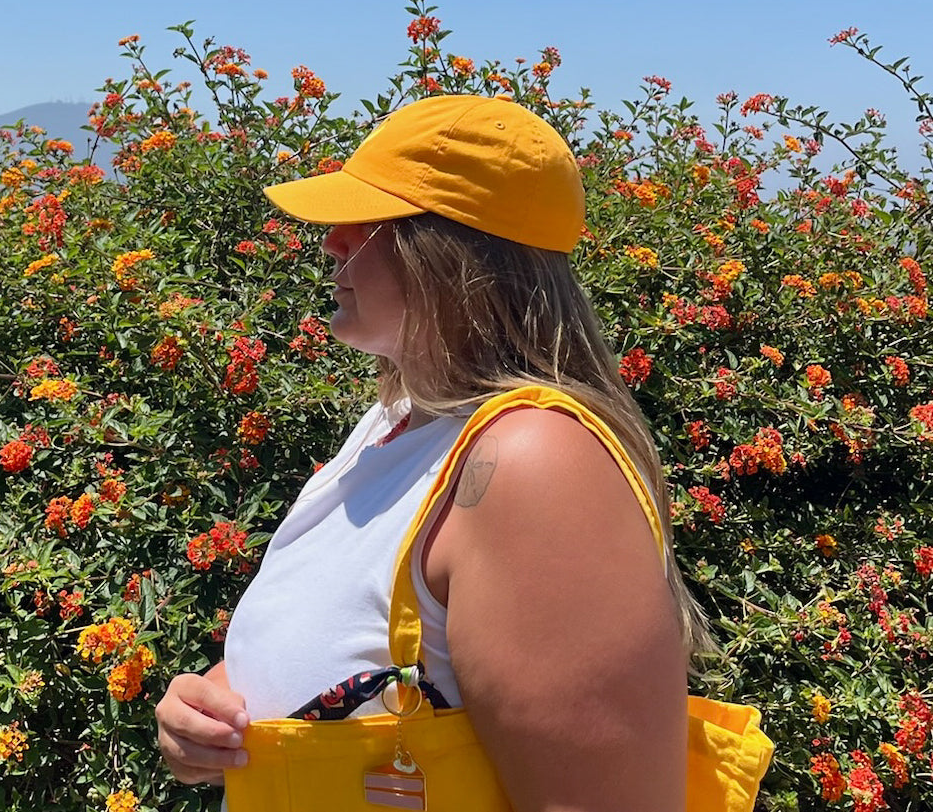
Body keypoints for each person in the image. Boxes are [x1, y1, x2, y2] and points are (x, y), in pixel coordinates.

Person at [155, 95, 768, 811]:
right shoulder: (396, 425)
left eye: (366, 222)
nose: (332, 242)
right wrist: (219, 703)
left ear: (450, 252)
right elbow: (352, 650)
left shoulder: (531, 462)